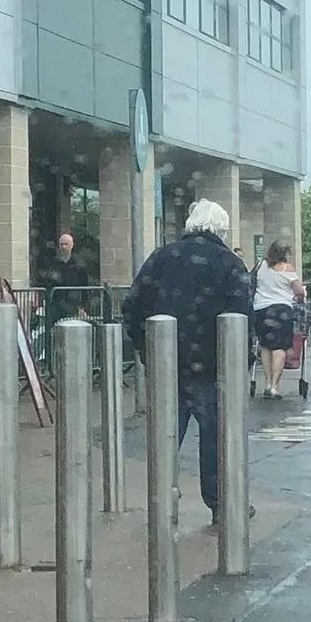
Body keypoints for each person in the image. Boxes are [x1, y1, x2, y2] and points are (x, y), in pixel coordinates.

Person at [123, 199, 253, 527]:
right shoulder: (229, 263)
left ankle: (163, 501)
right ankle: (220, 503)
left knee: (165, 436)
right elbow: (242, 318)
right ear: (220, 229)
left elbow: (133, 304)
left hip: (167, 363)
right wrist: (241, 361)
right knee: (216, 438)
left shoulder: (162, 257)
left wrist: (144, 348)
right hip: (212, 365)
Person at [252, 240, 306, 399]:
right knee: (279, 348)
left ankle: (267, 383)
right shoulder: (287, 268)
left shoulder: (260, 265)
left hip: (261, 309)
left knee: (266, 347)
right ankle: (275, 385)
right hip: (281, 311)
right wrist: (300, 296)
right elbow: (298, 291)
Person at [38, 232, 90, 323]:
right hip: (56, 304)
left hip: (73, 304)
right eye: (61, 244)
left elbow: (85, 285)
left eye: (66, 244)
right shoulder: (52, 263)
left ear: (72, 245)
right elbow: (46, 283)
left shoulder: (79, 265)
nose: (63, 247)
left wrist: (84, 305)